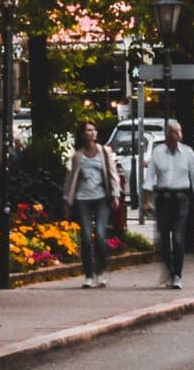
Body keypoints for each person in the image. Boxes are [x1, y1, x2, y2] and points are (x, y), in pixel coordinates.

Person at [140, 121, 194, 289]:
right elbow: (149, 178)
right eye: (170, 132)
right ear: (167, 135)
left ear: (180, 135)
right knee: (163, 239)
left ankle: (177, 275)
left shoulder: (188, 153)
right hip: (163, 198)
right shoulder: (158, 153)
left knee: (178, 237)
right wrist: (147, 201)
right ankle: (168, 268)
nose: (173, 135)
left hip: (181, 198)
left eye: (176, 132)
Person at [61, 121, 122, 289]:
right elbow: (70, 179)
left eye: (94, 130)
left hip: (102, 197)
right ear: (82, 134)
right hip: (83, 199)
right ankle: (88, 274)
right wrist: (67, 199)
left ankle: (101, 270)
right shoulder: (77, 156)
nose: (92, 133)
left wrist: (115, 195)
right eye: (88, 130)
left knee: (100, 234)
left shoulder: (104, 152)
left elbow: (112, 173)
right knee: (86, 237)